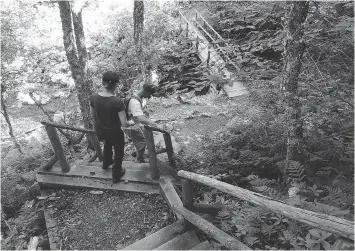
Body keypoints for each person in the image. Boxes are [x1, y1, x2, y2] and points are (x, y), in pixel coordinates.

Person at [90, 71, 133, 183]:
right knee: (119, 151)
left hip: (100, 131)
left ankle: (106, 163)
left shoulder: (94, 97)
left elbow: (93, 116)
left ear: (102, 82)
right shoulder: (118, 102)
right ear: (116, 85)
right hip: (114, 132)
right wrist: (131, 122)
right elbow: (124, 124)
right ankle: (116, 174)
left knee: (107, 142)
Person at [125, 82, 159, 163]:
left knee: (139, 139)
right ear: (147, 92)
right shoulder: (135, 102)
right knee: (142, 142)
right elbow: (141, 118)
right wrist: (154, 124)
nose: (149, 97)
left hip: (131, 122)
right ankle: (139, 160)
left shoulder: (134, 95)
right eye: (150, 95)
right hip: (130, 124)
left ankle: (137, 153)